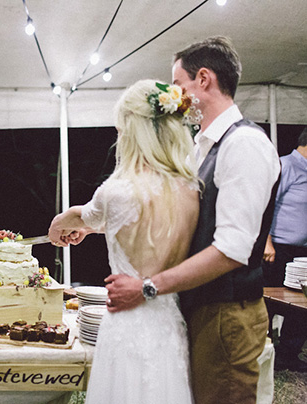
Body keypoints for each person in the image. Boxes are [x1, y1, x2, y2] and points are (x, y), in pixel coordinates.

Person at [103, 36, 281, 404]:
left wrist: (148, 287)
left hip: (228, 316)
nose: (175, 97)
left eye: (178, 85)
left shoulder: (244, 145)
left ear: (203, 79)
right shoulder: (203, 146)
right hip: (201, 311)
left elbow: (231, 250)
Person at [49, 79, 200, 403]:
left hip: (127, 322)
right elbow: (145, 227)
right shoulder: (190, 189)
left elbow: (83, 216)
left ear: (132, 131)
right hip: (168, 323)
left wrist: (59, 223)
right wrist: (93, 229)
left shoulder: (117, 191)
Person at [262, 126, 307, 371]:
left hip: (302, 252)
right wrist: (266, 242)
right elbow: (266, 205)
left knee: (301, 303)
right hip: (278, 249)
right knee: (271, 300)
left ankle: (289, 354)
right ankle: (265, 351)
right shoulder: (284, 165)